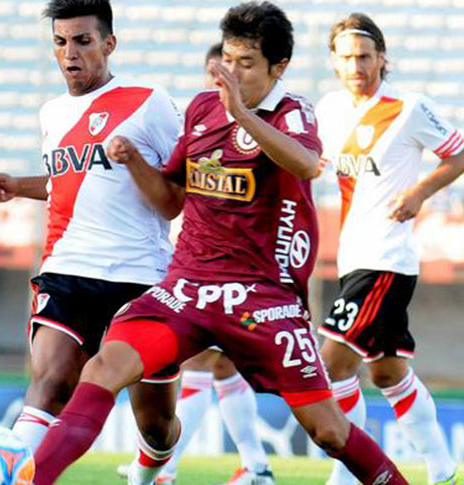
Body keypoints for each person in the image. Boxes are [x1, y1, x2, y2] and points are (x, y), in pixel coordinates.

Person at [32, 3, 410, 485]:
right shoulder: (202, 109)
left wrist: (243, 115)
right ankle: (32, 479)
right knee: (102, 369)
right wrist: (134, 162)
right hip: (187, 289)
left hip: (262, 299)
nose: (232, 73)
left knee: (329, 431)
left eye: (246, 63)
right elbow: (171, 198)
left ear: (279, 68)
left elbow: (306, 164)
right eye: (227, 60)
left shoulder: (293, 114)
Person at [0, 0, 183, 470]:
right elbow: (70, 183)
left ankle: (150, 471)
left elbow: (177, 200)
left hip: (141, 277)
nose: (70, 53)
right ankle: (6, 474)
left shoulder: (149, 102)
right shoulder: (52, 112)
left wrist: (133, 158)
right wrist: (17, 187)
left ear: (109, 44)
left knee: (155, 422)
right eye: (60, 42)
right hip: (67, 269)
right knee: (51, 381)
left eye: (82, 41)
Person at [315, 13, 464, 485]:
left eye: (365, 56)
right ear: (334, 64)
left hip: (387, 261)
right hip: (353, 258)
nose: (357, 65)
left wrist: (420, 193)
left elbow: (459, 154)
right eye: (347, 57)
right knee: (387, 374)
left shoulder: (409, 107)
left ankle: (347, 474)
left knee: (332, 361)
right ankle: (443, 470)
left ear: (382, 58)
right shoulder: (329, 109)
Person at [117, 41, 275, 485]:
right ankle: (256, 466)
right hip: (202, 264)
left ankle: (165, 467)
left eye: (231, 72)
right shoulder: (202, 123)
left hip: (228, 270)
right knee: (219, 367)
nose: (220, 84)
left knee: (202, 365)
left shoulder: (258, 130)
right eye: (215, 76)